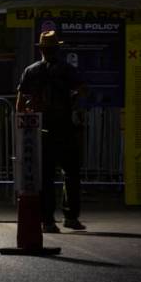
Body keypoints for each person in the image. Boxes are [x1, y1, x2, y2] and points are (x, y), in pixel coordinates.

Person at [16, 30, 88, 233]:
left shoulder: (31, 70)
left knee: (45, 175)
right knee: (71, 173)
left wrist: (23, 122)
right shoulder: (67, 69)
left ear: (41, 49)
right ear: (57, 48)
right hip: (65, 126)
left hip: (40, 128)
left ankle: (47, 220)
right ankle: (71, 216)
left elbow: (20, 101)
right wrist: (73, 100)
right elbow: (83, 90)